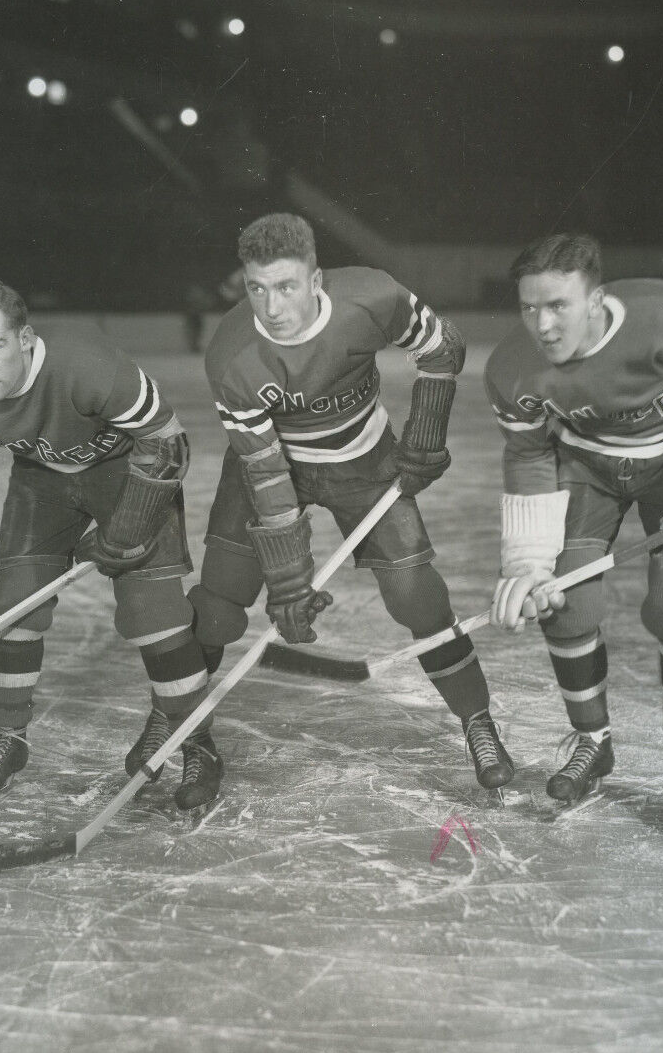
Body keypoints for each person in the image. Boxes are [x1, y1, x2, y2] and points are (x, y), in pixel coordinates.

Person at [139, 211, 513, 790]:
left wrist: (427, 430)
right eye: (257, 289)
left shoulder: (373, 297)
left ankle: (478, 722)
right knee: (219, 602)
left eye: (286, 286)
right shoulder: (232, 355)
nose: (271, 307)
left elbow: (443, 348)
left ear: (316, 281)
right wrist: (288, 581)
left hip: (363, 463)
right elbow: (266, 474)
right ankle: (175, 721)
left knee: (419, 600)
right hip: (266, 467)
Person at [484, 233, 663, 813]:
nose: (541, 325)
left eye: (557, 305)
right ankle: (593, 741)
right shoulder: (512, 369)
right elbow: (529, 453)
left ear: (595, 300)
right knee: (563, 604)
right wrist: (528, 559)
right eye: (529, 307)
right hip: (586, 469)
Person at [0, 278, 222, 813]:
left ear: (26, 339)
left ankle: (197, 742)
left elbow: (168, 445)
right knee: (12, 602)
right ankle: (10, 738)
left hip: (131, 471)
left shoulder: (88, 366)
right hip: (45, 480)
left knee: (153, 611)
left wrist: (126, 529)